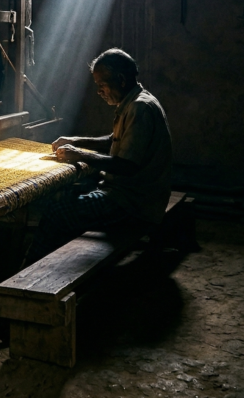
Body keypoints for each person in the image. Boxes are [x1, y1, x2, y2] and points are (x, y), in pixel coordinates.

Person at [27, 48, 173, 262]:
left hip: (133, 204)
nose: (99, 91)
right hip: (132, 195)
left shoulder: (139, 108)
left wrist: (81, 155)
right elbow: (112, 140)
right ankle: (50, 263)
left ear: (121, 80)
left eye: (102, 85)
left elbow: (127, 166)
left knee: (57, 213)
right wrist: (76, 141)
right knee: (66, 196)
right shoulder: (136, 101)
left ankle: (30, 274)